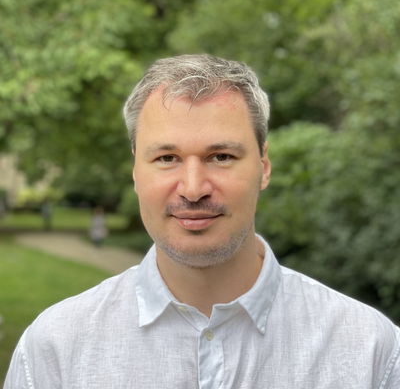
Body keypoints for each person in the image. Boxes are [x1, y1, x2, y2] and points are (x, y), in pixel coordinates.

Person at [5, 55, 400, 388]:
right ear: (136, 171)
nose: (193, 189)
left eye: (221, 157)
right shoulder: (54, 350)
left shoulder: (370, 352)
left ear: (264, 166)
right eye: (167, 158)